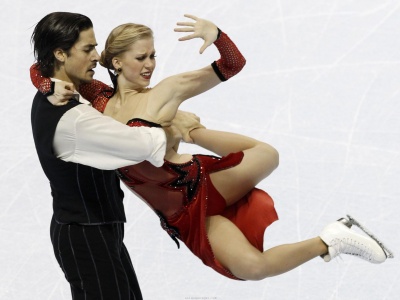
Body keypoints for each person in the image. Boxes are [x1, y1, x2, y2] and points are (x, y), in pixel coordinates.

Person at [31, 14, 390, 282]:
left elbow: (232, 64)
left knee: (269, 155)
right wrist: (46, 84)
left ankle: (196, 132)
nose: (150, 65)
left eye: (153, 56)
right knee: (252, 268)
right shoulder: (97, 98)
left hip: (197, 183)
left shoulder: (167, 90)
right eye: (141, 57)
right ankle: (331, 240)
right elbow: (42, 65)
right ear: (116, 62)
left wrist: (216, 36)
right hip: (179, 214)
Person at [30, 12, 203, 300]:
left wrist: (45, 82)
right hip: (86, 233)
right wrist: (175, 124)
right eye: (87, 49)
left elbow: (38, 67)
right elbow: (142, 145)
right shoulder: (74, 119)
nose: (97, 56)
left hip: (96, 228)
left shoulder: (68, 93)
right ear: (60, 54)